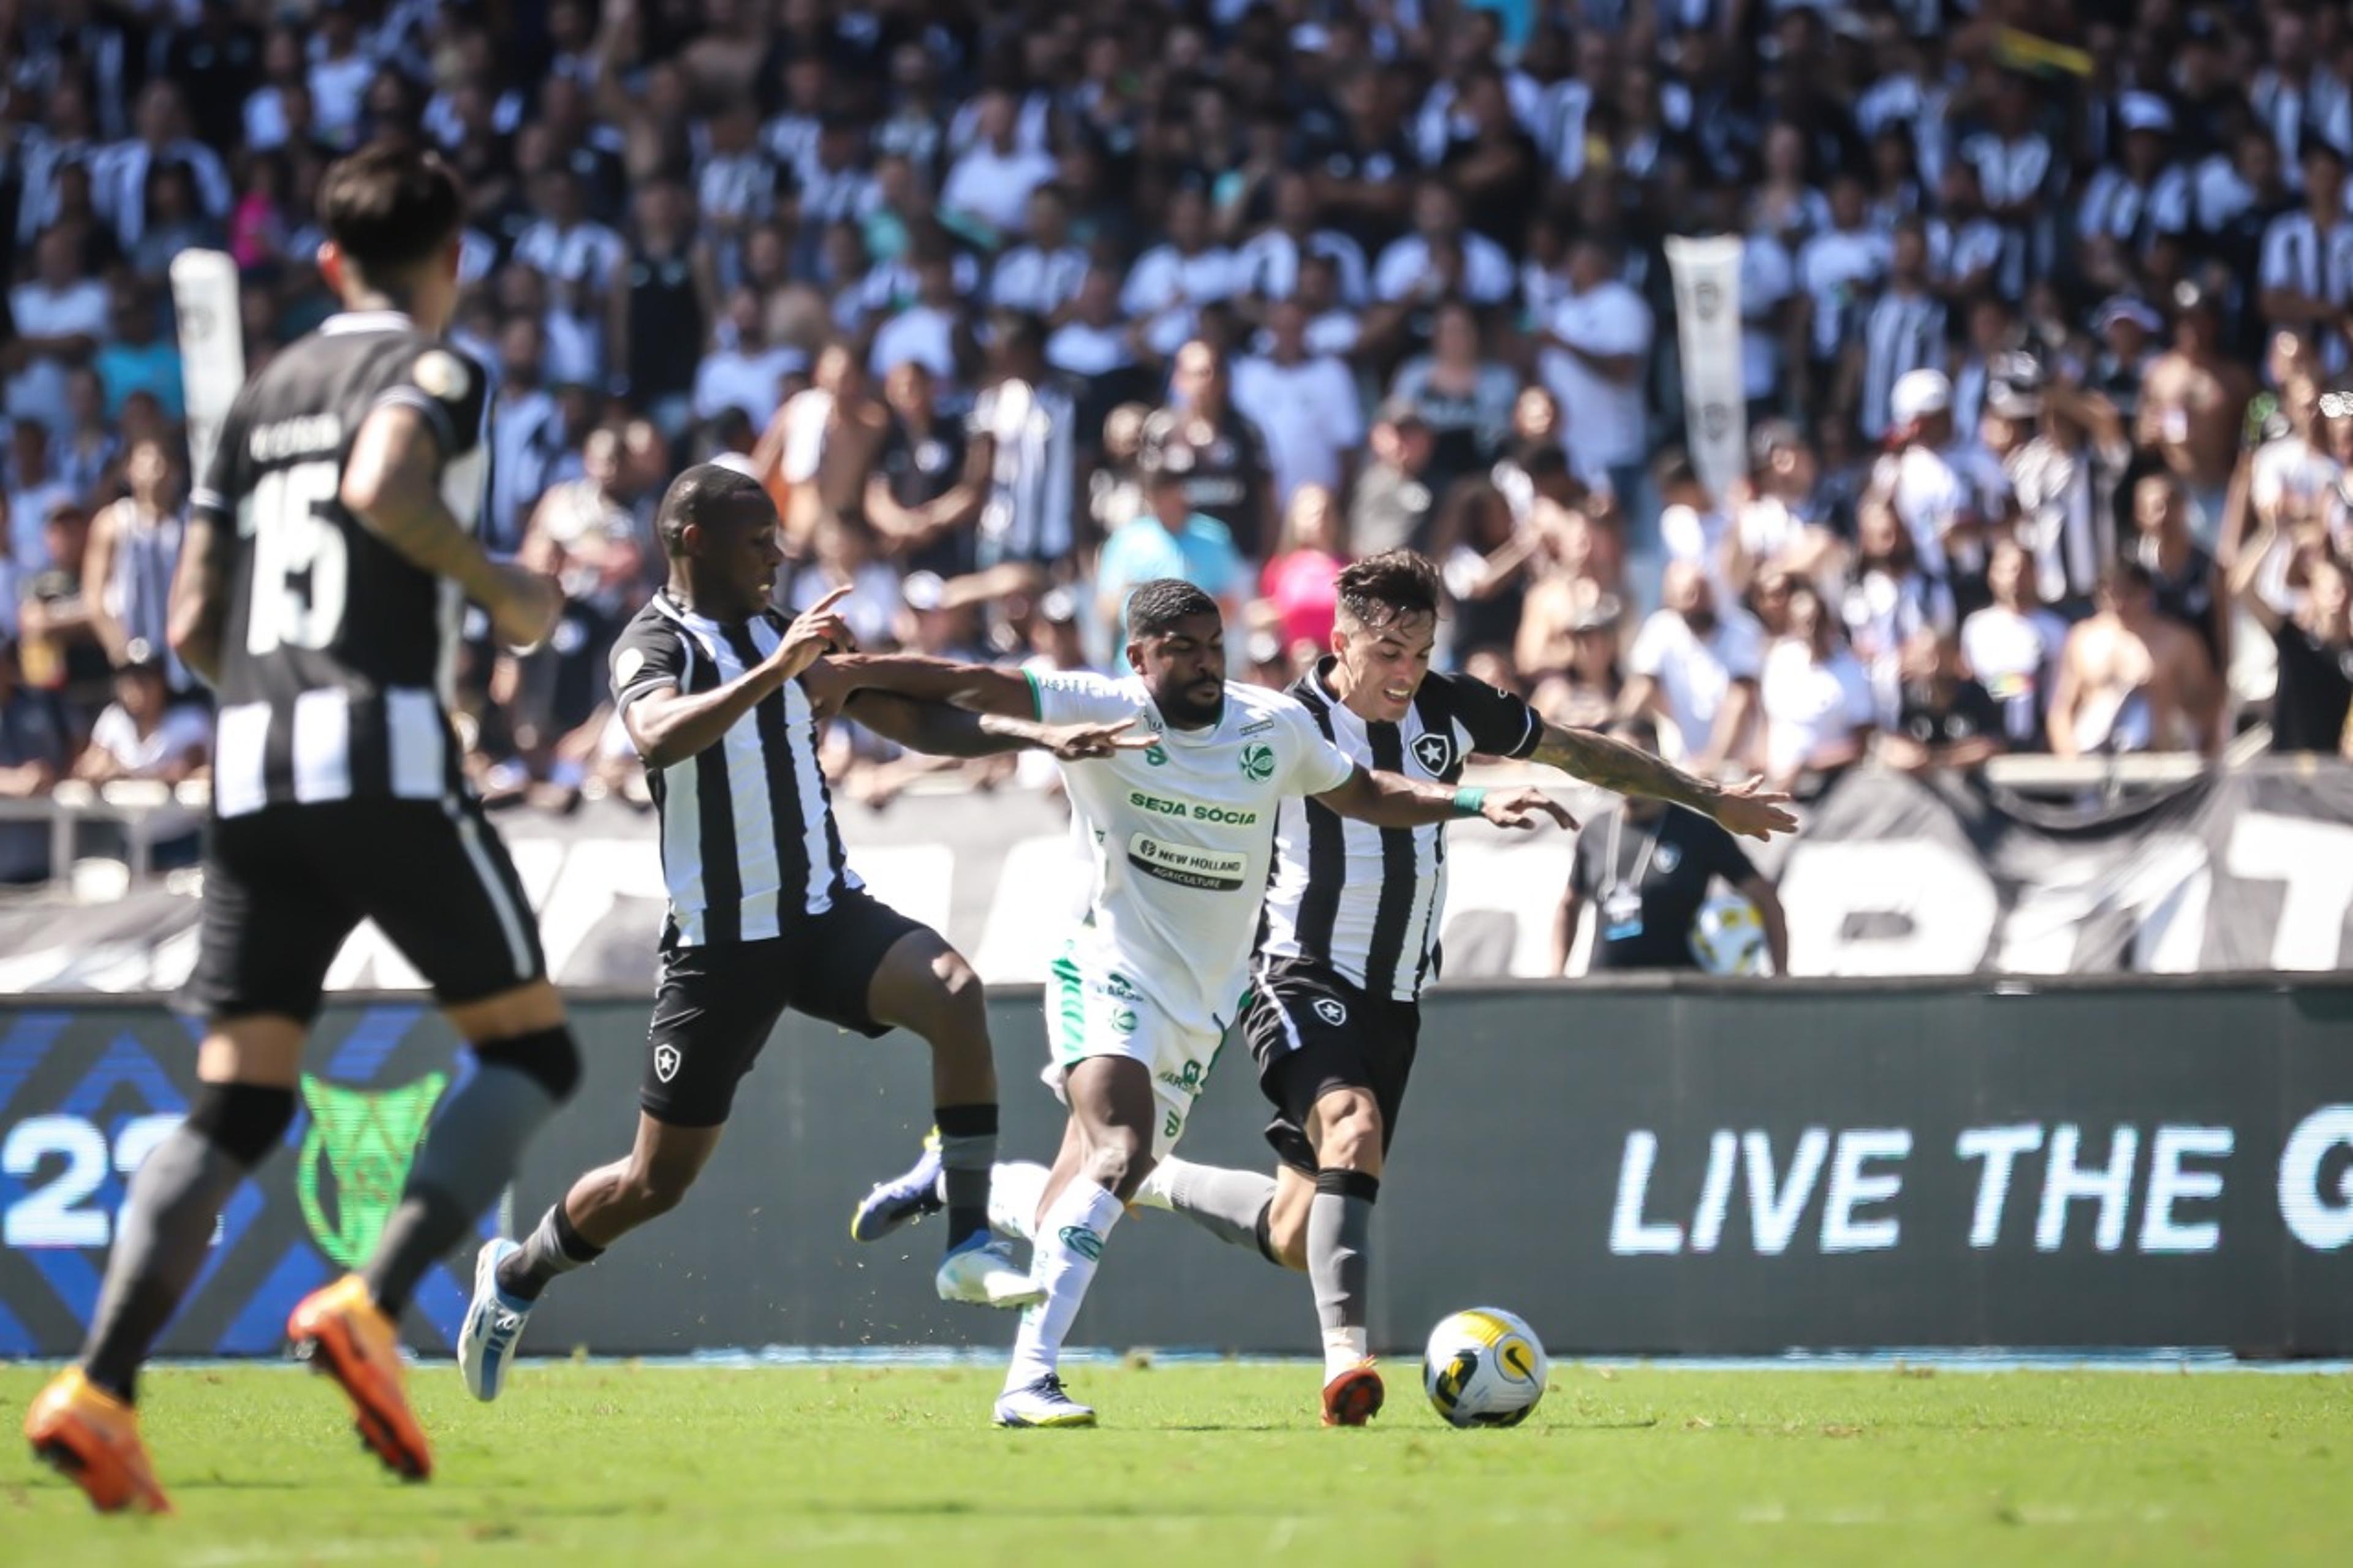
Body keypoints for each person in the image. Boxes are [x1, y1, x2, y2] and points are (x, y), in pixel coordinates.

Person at [851, 559, 1794, 1426]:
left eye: (1422, 652)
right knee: (1350, 1128)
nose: (1406, 672)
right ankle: (1345, 1358)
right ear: (1338, 641)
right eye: (1388, 651)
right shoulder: (1284, 715)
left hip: (1393, 994)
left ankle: (1025, 1184)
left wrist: (1710, 797)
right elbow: (1358, 788)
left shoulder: (1449, 710)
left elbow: (1582, 752)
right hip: (1295, 970)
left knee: (1297, 1231)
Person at [24, 143, 574, 1512]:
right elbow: (386, 487)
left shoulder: (254, 396)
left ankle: (98, 1389)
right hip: (377, 754)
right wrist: (503, 591)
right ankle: (372, 1306)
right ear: (451, 263)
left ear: (328, 263)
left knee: (239, 1099)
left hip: (251, 772)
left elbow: (196, 625)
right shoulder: (437, 369)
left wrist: (280, 686)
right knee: (535, 1053)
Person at [454, 466, 1150, 1402]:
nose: (778, 557)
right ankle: (518, 1271)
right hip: (719, 946)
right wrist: (773, 672)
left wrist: (1036, 739)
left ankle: (968, 1240)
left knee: (955, 991)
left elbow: (908, 717)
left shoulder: (784, 633)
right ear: (692, 540)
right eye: (757, 542)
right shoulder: (655, 641)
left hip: (823, 911)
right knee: (654, 1181)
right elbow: (657, 736)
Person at [1556, 716, 1791, 975]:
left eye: (1639, 758)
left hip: (1678, 995)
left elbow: (1765, 898)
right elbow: (1569, 905)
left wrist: (1780, 975)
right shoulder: (1596, 832)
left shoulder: (1698, 830)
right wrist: (1556, 974)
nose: (1627, 770)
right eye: (1617, 760)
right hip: (1607, 988)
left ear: (1659, 763)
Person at [2048, 562, 2221, 759]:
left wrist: (2157, 690)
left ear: (2146, 594)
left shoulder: (2180, 641)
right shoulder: (2083, 638)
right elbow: (2061, 709)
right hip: (2094, 759)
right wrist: (2070, 759)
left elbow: (2206, 707)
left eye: (2128, 594)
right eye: (2111, 595)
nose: (2120, 604)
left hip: (2159, 759)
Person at [2230, 518, 2353, 755]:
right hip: (2286, 767)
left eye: (2346, 590)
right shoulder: (2295, 639)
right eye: (2332, 589)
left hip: (2334, 772)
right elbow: (2242, 589)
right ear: (2313, 590)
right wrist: (2270, 534)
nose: (2339, 598)